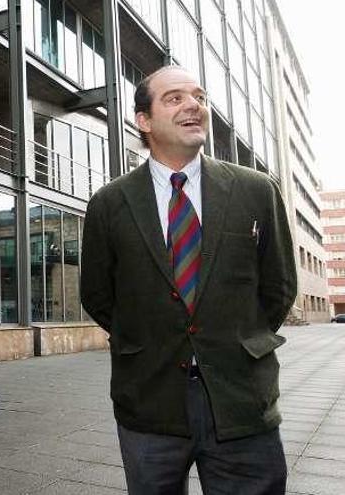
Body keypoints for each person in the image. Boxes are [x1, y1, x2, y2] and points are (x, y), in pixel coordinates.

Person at [80, 65, 297, 494]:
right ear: (144, 121)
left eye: (197, 96)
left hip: (240, 398)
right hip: (148, 399)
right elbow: (99, 295)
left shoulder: (256, 190)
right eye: (174, 98)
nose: (193, 105)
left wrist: (236, 337)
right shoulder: (109, 203)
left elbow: (279, 287)